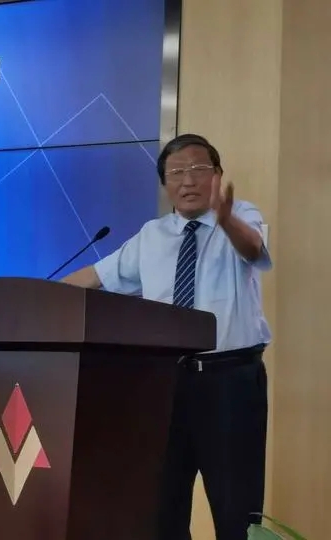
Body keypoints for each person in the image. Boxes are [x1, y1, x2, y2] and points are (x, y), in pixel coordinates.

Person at [62, 133, 270, 540]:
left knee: (237, 511)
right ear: (164, 184)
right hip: (164, 385)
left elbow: (253, 249)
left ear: (217, 175)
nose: (188, 180)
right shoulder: (151, 235)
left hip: (229, 383)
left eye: (198, 169)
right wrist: (34, 295)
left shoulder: (241, 216)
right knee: (161, 509)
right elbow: (95, 277)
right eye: (176, 172)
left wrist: (226, 219)